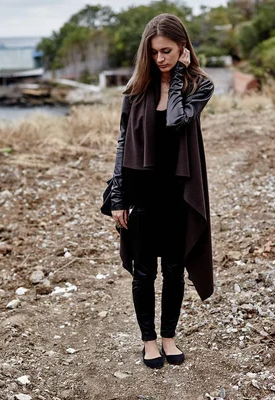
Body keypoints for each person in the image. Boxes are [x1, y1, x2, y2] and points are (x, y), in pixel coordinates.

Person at [108, 13, 215, 369]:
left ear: (183, 47)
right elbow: (123, 144)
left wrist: (180, 74)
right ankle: (148, 341)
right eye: (154, 53)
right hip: (140, 190)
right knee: (143, 272)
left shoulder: (199, 85)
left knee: (173, 268)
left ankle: (169, 337)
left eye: (167, 51)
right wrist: (118, 197)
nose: (160, 59)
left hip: (176, 190)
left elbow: (176, 120)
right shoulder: (136, 90)